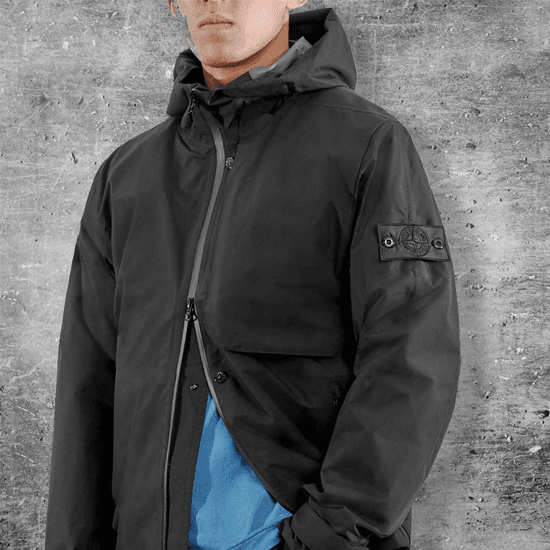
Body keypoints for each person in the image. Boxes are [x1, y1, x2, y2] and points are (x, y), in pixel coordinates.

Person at [45, 0, 461, 548]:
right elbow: (86, 393)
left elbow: (411, 362)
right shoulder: (126, 178)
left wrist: (325, 537)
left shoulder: (369, 147)